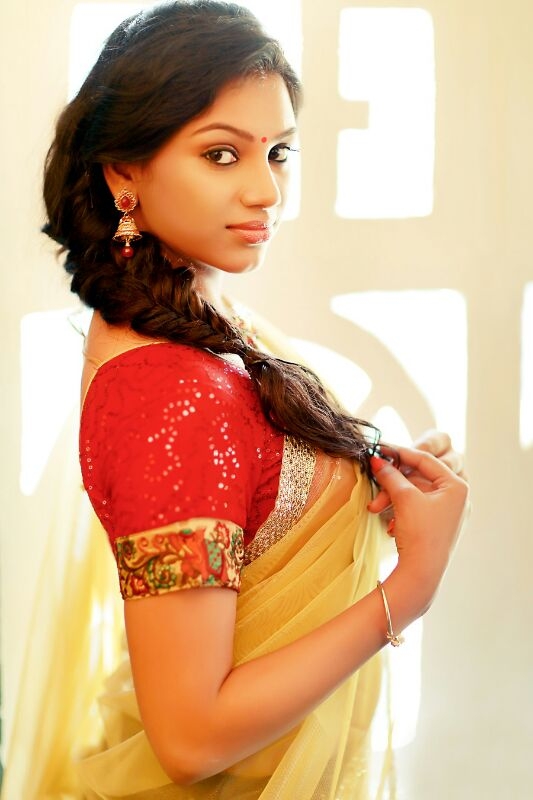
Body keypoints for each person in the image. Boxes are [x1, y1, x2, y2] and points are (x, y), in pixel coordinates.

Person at [41, 1, 468, 797]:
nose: (266, 190)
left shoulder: (199, 322)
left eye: (277, 152)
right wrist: (409, 588)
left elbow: (259, 496)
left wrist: (366, 471)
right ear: (122, 171)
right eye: (221, 154)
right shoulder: (168, 393)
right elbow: (190, 738)